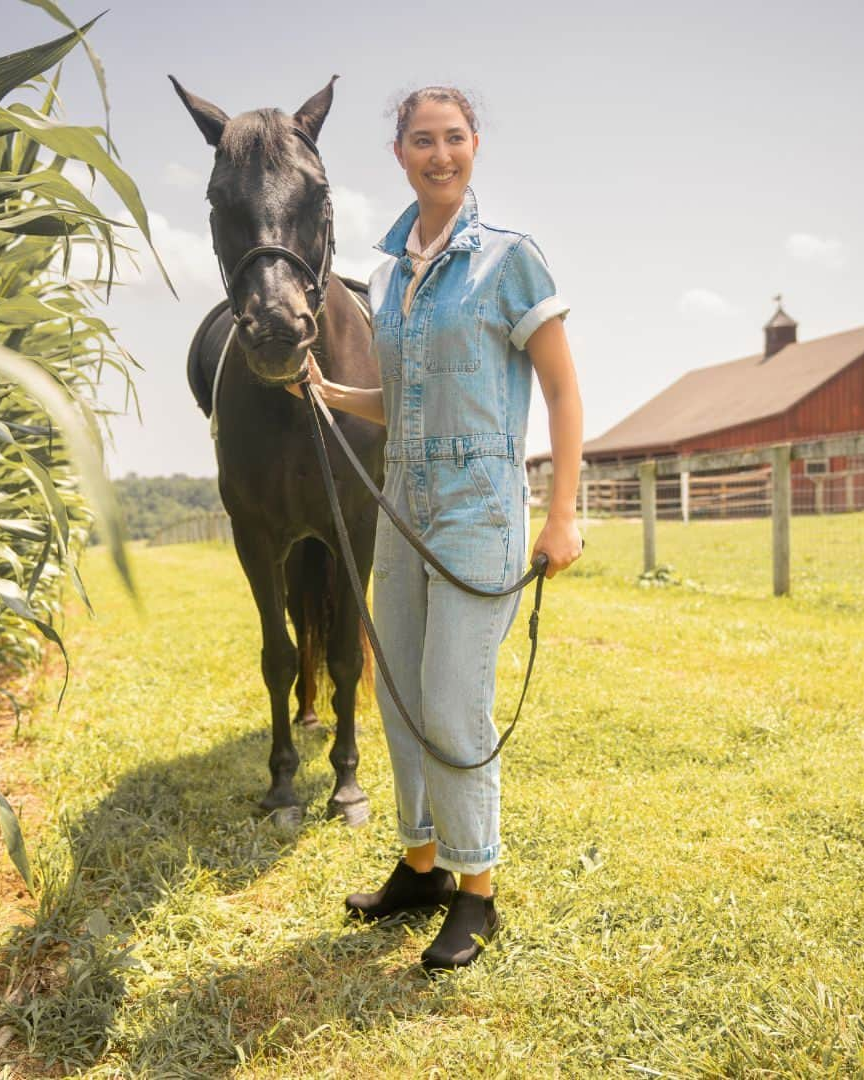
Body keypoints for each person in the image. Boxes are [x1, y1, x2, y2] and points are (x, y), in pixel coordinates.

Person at [288, 86, 583, 972]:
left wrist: (564, 513)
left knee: (453, 703)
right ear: (401, 155)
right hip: (401, 509)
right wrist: (336, 394)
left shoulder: (510, 260)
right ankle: (421, 867)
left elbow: (564, 391)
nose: (439, 154)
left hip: (478, 511)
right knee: (400, 698)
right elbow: (406, 397)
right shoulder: (383, 273)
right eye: (423, 140)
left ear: (475, 145)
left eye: (454, 138)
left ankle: (476, 891)